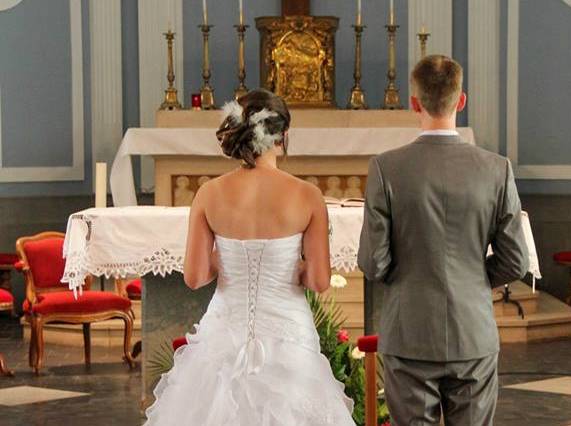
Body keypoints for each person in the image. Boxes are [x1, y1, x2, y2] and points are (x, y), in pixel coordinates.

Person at [145, 89, 354, 425]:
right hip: (289, 332)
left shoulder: (208, 194)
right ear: (283, 136)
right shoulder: (307, 195)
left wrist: (228, 257)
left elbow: (195, 277)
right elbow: (318, 281)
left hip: (224, 331)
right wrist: (290, 264)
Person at [358, 55, 529, 426]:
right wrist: (473, 278)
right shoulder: (497, 169)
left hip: (409, 332)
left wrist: (409, 279)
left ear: (414, 103)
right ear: (461, 100)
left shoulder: (386, 168)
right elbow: (516, 260)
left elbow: (374, 263)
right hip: (473, 331)